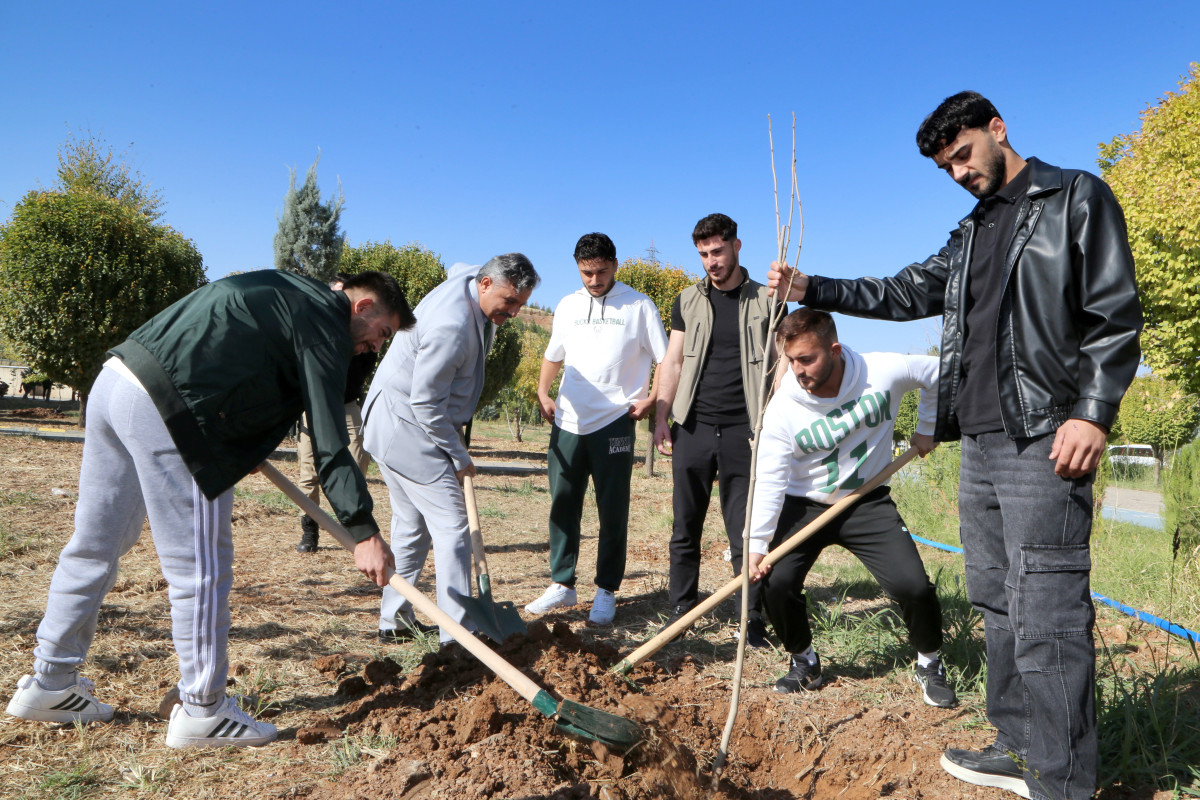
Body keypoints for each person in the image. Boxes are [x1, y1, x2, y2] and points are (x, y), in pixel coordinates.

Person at [768, 92, 1142, 800]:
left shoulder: (1074, 199)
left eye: (964, 154)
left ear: (997, 128)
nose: (959, 172)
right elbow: (908, 291)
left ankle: (1064, 779)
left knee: (1048, 606)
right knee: (996, 599)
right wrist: (813, 285)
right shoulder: (970, 234)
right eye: (946, 167)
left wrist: (1092, 413)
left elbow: (1115, 312)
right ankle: (1018, 744)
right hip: (980, 440)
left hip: (1045, 433)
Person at [5, 270, 411, 748]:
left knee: (95, 544)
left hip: (118, 381)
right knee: (200, 568)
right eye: (381, 333)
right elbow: (328, 436)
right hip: (172, 411)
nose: (375, 348)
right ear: (362, 307)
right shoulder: (325, 317)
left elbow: (237, 356)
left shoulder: (283, 287)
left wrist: (251, 432)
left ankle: (50, 682)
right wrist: (363, 530)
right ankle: (203, 710)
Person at [745, 308, 956, 708]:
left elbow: (939, 372)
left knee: (911, 585)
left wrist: (929, 426)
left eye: (807, 359)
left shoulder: (883, 371)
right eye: (790, 360)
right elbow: (770, 481)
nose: (797, 370)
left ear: (835, 349)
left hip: (866, 500)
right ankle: (804, 661)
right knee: (776, 582)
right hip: (804, 504)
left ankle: (930, 662)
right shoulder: (782, 410)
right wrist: (757, 544)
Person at [363, 254, 538, 644]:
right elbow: (425, 403)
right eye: (509, 302)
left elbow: (459, 266)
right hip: (406, 425)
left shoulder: (471, 280)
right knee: (454, 528)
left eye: (521, 305)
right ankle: (458, 635)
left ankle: (393, 621)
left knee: (412, 526)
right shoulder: (452, 326)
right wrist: (459, 456)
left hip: (393, 420)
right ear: (486, 284)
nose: (513, 312)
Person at [653, 213, 783, 647]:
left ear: (737, 246)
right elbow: (672, 362)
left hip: (747, 429)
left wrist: (774, 421)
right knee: (684, 524)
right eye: (704, 254)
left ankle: (750, 616)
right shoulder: (686, 300)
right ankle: (681, 608)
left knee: (745, 530)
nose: (711, 261)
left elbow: (783, 363)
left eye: (718, 251)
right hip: (693, 425)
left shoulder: (769, 299)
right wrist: (661, 416)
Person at [525, 233, 668, 625]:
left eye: (601, 271)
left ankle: (606, 590)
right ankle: (562, 584)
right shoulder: (568, 305)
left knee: (612, 508)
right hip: (568, 421)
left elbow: (667, 359)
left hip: (615, 421)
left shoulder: (639, 305)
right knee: (562, 502)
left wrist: (652, 398)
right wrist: (542, 391)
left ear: (615, 266)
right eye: (586, 272)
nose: (594, 280)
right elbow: (554, 354)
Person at [296, 273, 379, 553]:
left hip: (346, 406)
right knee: (308, 474)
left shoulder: (365, 336)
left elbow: (364, 365)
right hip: (312, 407)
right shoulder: (315, 329)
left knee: (356, 466)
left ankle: (356, 529)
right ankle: (310, 530)